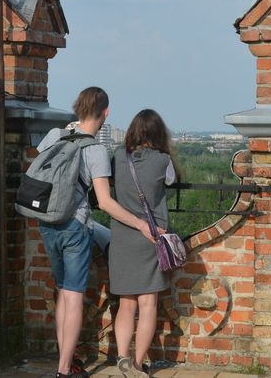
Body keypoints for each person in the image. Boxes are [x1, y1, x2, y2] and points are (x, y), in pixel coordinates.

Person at [37, 87, 157, 378]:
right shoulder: (95, 149)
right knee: (74, 295)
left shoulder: (54, 135)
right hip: (75, 226)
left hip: (47, 223)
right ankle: (64, 369)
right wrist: (141, 224)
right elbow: (105, 203)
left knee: (63, 292)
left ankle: (65, 361)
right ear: (106, 112)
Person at [110, 109, 181, 378]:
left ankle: (123, 357)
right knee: (148, 304)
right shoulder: (163, 160)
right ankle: (139, 365)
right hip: (152, 236)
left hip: (122, 236)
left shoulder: (118, 156)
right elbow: (173, 180)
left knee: (126, 303)